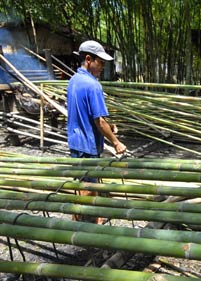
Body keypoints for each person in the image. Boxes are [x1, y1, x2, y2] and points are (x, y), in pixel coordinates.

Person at [67, 40, 127, 223]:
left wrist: (110, 127)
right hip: (88, 144)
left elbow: (87, 114)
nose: (102, 66)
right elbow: (99, 121)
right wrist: (116, 142)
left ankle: (80, 218)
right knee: (88, 185)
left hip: (75, 141)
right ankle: (92, 224)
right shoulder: (93, 85)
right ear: (88, 59)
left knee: (83, 181)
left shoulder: (73, 81)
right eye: (100, 62)